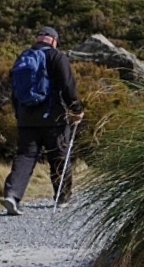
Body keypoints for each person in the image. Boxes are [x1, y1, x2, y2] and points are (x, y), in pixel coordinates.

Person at [2, 27, 84, 216]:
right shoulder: (56, 57)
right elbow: (67, 85)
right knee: (58, 155)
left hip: (26, 117)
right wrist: (76, 109)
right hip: (53, 117)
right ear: (54, 40)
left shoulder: (23, 56)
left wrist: (18, 114)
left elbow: (15, 90)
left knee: (26, 156)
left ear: (38, 39)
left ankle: (12, 195)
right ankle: (62, 197)